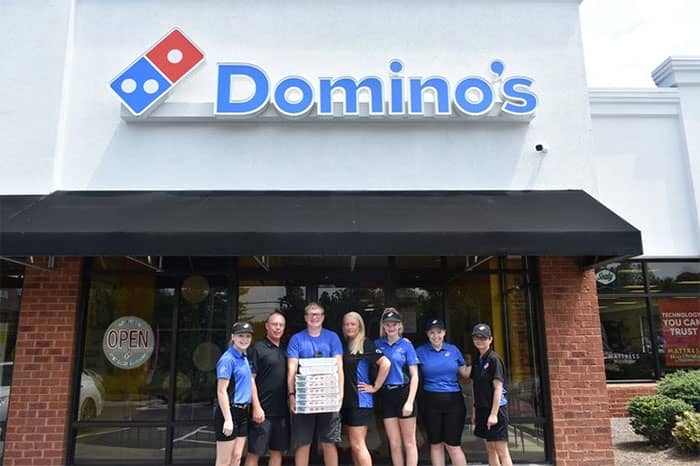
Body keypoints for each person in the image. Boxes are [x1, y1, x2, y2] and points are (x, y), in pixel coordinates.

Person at [287, 302, 344, 466]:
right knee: (303, 443)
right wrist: (292, 395)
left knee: (329, 442)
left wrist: (340, 395)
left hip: (329, 397)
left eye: (318, 314)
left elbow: (339, 367)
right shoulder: (296, 339)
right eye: (311, 314)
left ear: (323, 317)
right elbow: (292, 370)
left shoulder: (332, 337)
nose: (314, 317)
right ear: (305, 318)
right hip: (304, 398)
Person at [415, 318, 471, 466]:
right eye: (432, 333)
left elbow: (465, 373)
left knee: (453, 445)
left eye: (439, 332)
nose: (436, 336)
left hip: (454, 401)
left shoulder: (453, 350)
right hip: (430, 401)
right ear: (427, 334)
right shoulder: (420, 351)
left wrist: (482, 358)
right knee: (436, 444)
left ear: (444, 333)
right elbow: (410, 369)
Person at [341, 311, 391, 466]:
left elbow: (385, 363)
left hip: (360, 401)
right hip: (347, 401)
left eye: (353, 324)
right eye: (346, 324)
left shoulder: (366, 343)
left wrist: (375, 387)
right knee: (354, 445)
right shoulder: (346, 345)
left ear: (360, 326)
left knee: (358, 445)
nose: (349, 327)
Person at [374, 308, 420, 466]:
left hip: (404, 393)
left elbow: (415, 375)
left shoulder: (406, 345)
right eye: (388, 324)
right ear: (383, 326)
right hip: (387, 395)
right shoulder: (377, 344)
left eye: (394, 324)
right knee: (394, 443)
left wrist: (410, 402)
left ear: (400, 325)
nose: (391, 327)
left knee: (409, 443)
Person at [245, 312, 290, 466]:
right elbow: (250, 379)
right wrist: (256, 407)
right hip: (262, 412)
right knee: (254, 453)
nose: (278, 328)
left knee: (277, 453)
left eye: (281, 325)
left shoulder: (285, 350)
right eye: (274, 324)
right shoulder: (257, 348)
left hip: (282, 412)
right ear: (267, 326)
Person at [215, 321, 258, 466]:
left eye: (248, 336)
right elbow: (221, 391)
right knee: (224, 461)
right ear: (233, 337)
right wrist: (228, 419)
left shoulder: (244, 357)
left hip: (243, 413)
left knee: (237, 457)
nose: (244, 339)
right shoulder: (227, 359)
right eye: (240, 336)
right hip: (229, 412)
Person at [470, 323, 512, 466]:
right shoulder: (477, 360)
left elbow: (498, 388)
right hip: (482, 409)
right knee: (490, 449)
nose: (479, 340)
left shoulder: (494, 359)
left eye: (483, 337)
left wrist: (494, 414)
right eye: (476, 337)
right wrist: (475, 411)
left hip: (496, 410)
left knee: (501, 450)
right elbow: (475, 387)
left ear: (490, 339)